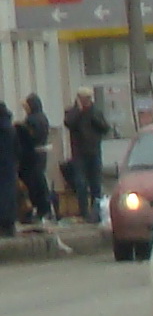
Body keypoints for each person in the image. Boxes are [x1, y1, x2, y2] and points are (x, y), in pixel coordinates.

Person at [64, 86, 110, 222]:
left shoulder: (96, 111)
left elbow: (105, 128)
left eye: (88, 98)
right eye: (83, 98)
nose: (86, 101)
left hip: (94, 152)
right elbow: (68, 123)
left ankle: (96, 212)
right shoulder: (72, 112)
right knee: (80, 183)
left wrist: (93, 116)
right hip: (79, 153)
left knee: (96, 183)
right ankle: (83, 212)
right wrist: (79, 111)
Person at [15, 93, 52, 222]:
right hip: (41, 154)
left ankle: (36, 210)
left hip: (32, 157)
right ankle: (45, 209)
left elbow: (30, 137)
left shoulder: (32, 120)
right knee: (40, 182)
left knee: (33, 184)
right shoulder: (43, 117)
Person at [0, 102, 20, 237]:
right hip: (9, 166)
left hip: (3, 165)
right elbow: (18, 148)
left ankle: (4, 224)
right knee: (9, 194)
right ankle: (9, 225)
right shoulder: (10, 127)